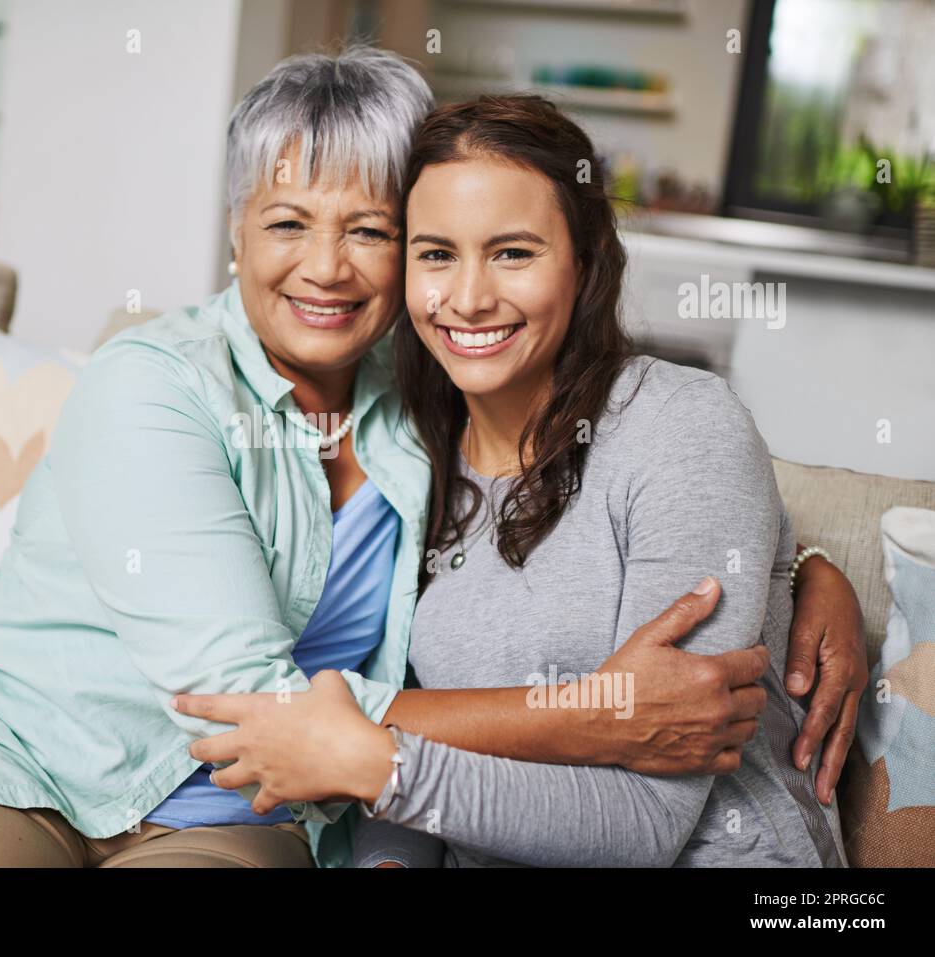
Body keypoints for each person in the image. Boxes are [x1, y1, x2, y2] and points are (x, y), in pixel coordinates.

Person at [0, 50, 865, 869]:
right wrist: (592, 709)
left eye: (369, 229)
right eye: (285, 223)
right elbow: (267, 709)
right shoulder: (157, 387)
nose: (326, 267)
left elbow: (659, 467)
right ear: (232, 233)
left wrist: (808, 571)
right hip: (10, 760)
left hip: (236, 815)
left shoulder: (426, 394)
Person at [173, 94, 854, 867]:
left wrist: (380, 768)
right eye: (436, 254)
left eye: (513, 253)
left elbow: (646, 822)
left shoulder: (680, 424)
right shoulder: (411, 458)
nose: (468, 298)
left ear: (587, 262)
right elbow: (429, 736)